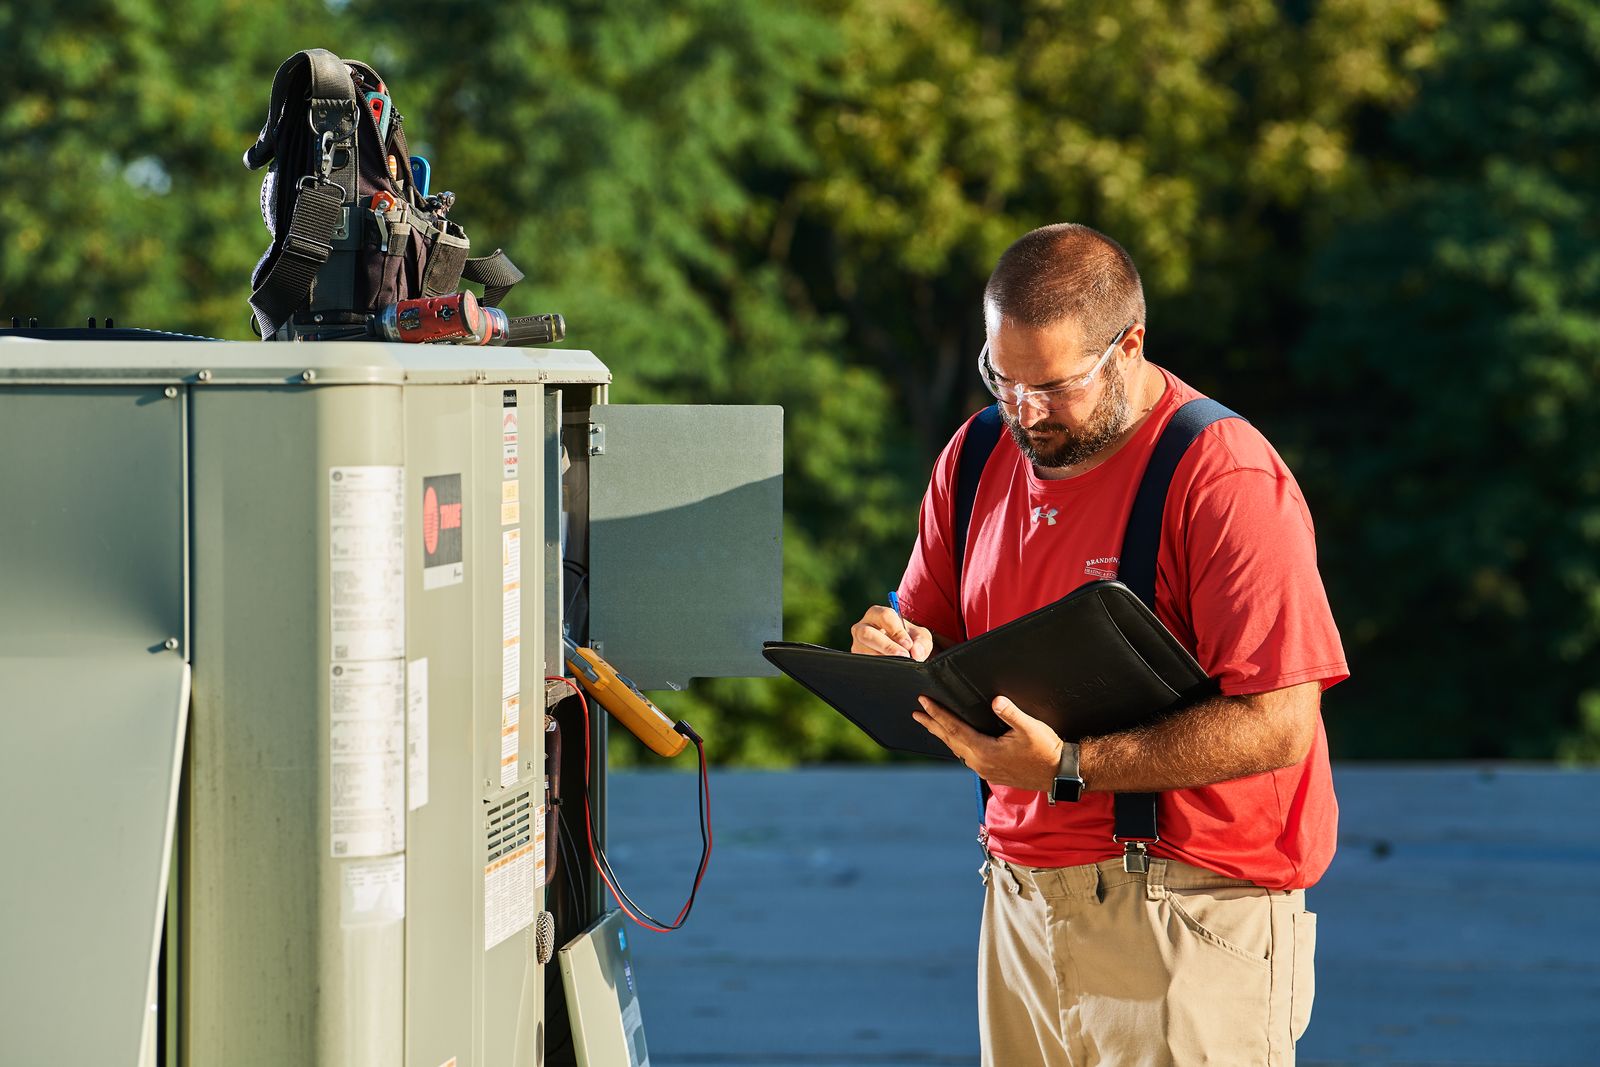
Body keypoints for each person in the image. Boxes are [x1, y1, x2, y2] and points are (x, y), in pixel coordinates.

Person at [851, 223, 1347, 1067]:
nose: (1023, 410)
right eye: (1000, 377)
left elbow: (1277, 724)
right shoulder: (973, 456)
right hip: (1016, 900)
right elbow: (928, 625)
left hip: (1189, 911)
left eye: (1053, 385)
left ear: (1130, 346)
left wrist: (1069, 766)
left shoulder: (1222, 476)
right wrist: (889, 642)